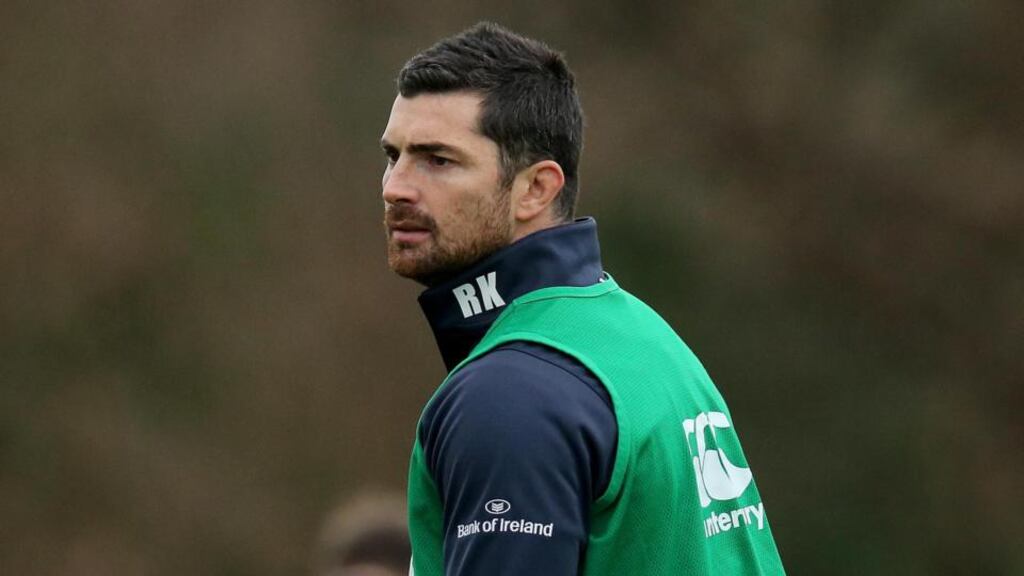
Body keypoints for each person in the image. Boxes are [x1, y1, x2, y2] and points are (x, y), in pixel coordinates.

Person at [380, 22, 785, 576]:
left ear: (536, 188)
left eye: (437, 160)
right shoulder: (638, 335)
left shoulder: (510, 394)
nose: (395, 186)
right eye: (393, 155)